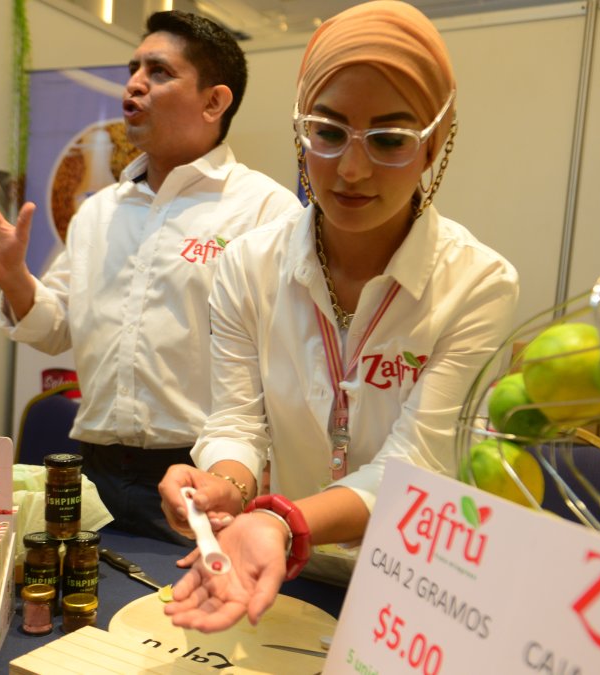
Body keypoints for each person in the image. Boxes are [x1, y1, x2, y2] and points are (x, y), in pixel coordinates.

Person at [158, 0, 519, 632]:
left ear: (433, 144)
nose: (351, 170)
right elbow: (239, 420)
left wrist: (280, 519)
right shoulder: (248, 266)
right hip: (280, 575)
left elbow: (418, 467)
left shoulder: (477, 285)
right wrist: (227, 486)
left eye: (388, 139)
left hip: (421, 585)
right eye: (328, 133)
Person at [0, 11, 300, 543]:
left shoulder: (266, 210)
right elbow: (55, 328)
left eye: (159, 72)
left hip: (199, 481)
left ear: (214, 101)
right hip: (92, 472)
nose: (133, 83)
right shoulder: (99, 211)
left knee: (186, 620)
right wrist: (14, 277)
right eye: (133, 67)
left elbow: (289, 362)